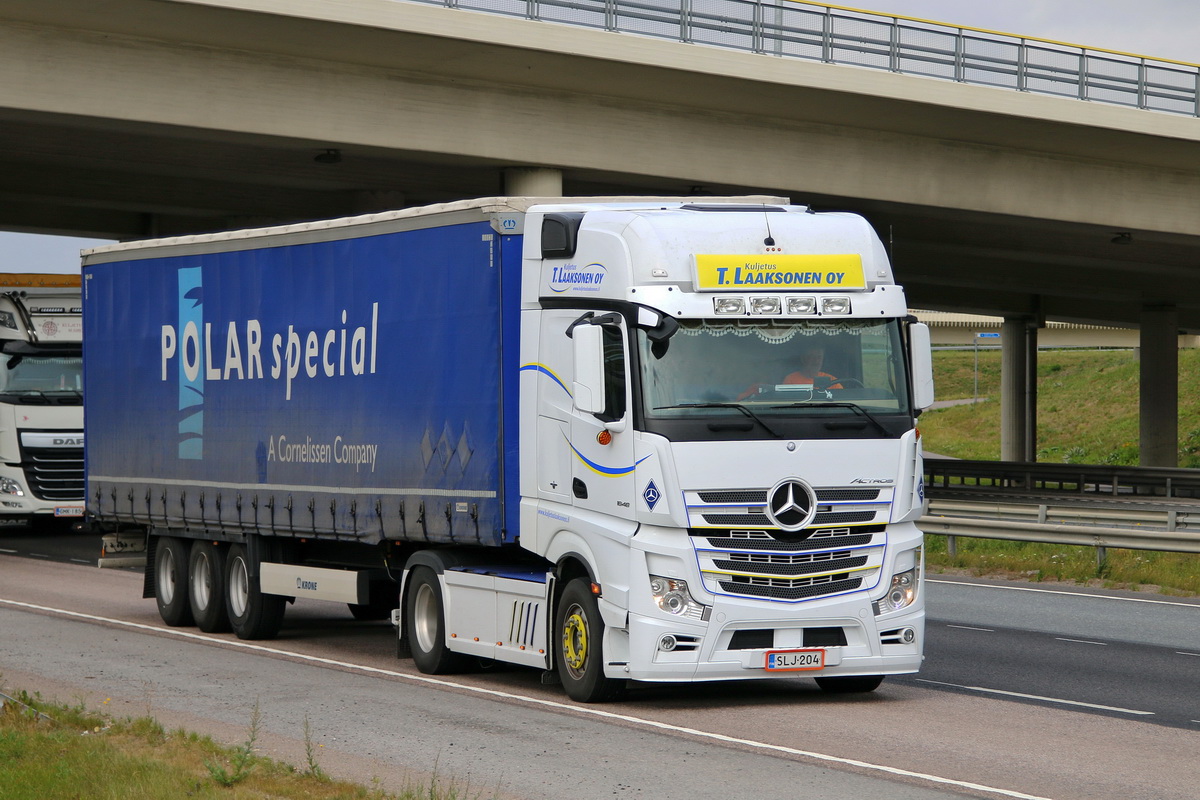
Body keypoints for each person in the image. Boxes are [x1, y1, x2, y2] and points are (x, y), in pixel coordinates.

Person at [737, 342, 841, 399]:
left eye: (819, 357)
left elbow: (843, 402)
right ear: (803, 359)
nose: (816, 361)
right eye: (812, 357)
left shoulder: (832, 381)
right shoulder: (791, 379)